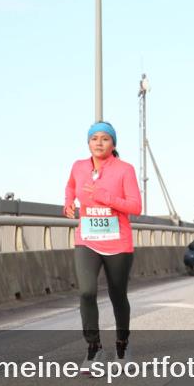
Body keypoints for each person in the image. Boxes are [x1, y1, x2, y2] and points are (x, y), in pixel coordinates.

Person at [64, 122, 142, 370]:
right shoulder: (78, 167)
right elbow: (71, 187)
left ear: (114, 144)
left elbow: (135, 207)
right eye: (94, 138)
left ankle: (122, 342)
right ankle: (94, 348)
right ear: (88, 142)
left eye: (105, 138)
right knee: (86, 292)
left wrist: (103, 196)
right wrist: (68, 203)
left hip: (117, 240)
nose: (99, 142)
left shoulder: (124, 170)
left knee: (117, 295)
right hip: (87, 239)